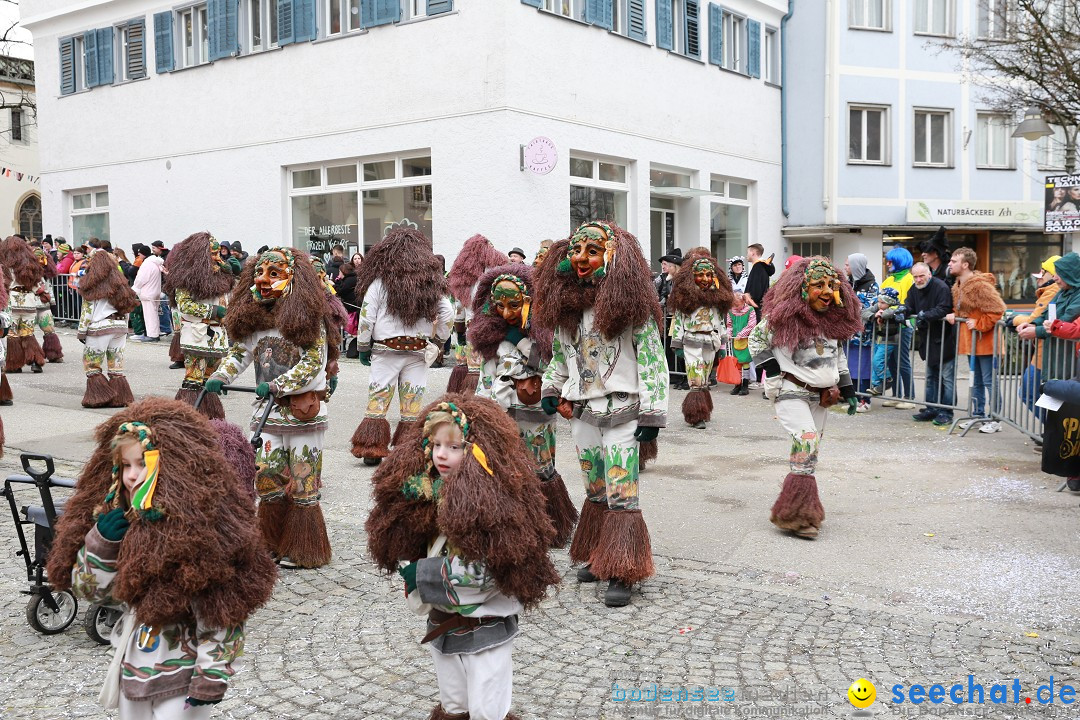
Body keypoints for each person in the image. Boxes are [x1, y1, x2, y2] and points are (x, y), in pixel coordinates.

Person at [45, 398, 277, 719]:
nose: (132, 475)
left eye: (143, 463)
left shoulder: (204, 533)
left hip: (182, 673)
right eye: (126, 465)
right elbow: (93, 594)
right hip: (135, 665)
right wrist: (101, 545)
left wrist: (210, 677)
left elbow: (223, 610)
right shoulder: (120, 519)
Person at [365, 396, 559, 720]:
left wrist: (421, 575)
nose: (441, 454)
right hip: (443, 625)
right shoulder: (425, 493)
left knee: (487, 710)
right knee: (454, 705)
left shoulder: (494, 505)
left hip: (487, 629)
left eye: (455, 447)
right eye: (436, 444)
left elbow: (486, 574)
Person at [535, 221, 668, 607]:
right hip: (581, 414)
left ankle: (624, 568)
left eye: (592, 251)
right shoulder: (568, 312)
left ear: (612, 257)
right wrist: (551, 389)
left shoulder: (634, 310)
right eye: (577, 251)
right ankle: (599, 553)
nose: (581, 258)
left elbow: (654, 361)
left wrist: (654, 413)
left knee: (621, 490)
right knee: (595, 488)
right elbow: (560, 360)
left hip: (625, 410)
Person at [206, 246, 342, 569]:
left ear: (294, 279)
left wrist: (281, 384)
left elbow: (313, 363)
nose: (264, 280)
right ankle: (272, 540)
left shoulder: (310, 322)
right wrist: (219, 375)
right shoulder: (256, 321)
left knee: (304, 479)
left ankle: (305, 548)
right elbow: (240, 354)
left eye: (274, 274)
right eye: (260, 273)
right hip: (266, 413)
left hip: (302, 413)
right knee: (267, 478)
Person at [749, 257, 862, 539]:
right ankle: (797, 516)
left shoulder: (831, 321)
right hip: (791, 392)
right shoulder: (781, 319)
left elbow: (838, 356)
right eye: (818, 285)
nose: (827, 292)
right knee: (806, 439)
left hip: (822, 397)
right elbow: (755, 341)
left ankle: (798, 509)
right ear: (801, 289)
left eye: (832, 285)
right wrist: (773, 376)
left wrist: (847, 389)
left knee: (811, 453)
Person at [468, 262, 578, 547]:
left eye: (514, 305)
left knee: (541, 468)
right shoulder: (491, 336)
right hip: (502, 415)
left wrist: (520, 342)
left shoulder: (547, 333)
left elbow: (554, 365)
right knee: (503, 469)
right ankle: (511, 525)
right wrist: (483, 412)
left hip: (535, 413)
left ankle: (550, 522)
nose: (506, 313)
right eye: (500, 306)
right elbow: (487, 375)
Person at [350, 226, 454, 464]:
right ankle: (408, 451)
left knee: (378, 399)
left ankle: (371, 447)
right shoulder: (431, 282)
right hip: (417, 350)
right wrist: (438, 341)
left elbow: (366, 316)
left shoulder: (378, 282)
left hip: (385, 350)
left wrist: (363, 346)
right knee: (412, 404)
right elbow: (448, 312)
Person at [163, 233, 235, 419]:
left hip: (217, 335)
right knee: (194, 378)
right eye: (213, 253)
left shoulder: (220, 275)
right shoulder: (185, 278)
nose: (218, 258)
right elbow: (185, 305)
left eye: (218, 253)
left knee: (208, 379)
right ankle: (189, 415)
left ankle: (209, 412)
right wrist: (214, 311)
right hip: (197, 332)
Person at [668, 253, 733, 429]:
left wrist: (723, 345)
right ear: (691, 276)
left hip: (710, 341)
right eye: (700, 274)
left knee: (704, 378)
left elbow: (720, 323)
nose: (705, 278)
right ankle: (695, 416)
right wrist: (677, 343)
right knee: (695, 378)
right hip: (691, 340)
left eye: (708, 274)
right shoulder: (685, 299)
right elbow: (679, 322)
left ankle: (704, 410)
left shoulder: (717, 299)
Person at [945, 247, 1007, 432]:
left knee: (989, 381)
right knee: (976, 380)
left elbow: (997, 310)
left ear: (965, 265)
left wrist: (979, 323)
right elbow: (965, 310)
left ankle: (995, 419)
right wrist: (954, 315)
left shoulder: (980, 285)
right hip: (972, 342)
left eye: (954, 261)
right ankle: (978, 415)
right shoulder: (958, 285)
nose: (950, 263)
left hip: (986, 342)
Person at [77, 245, 140, 408]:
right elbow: (127, 307)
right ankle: (120, 397)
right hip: (119, 326)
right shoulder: (120, 282)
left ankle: (98, 397)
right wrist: (124, 327)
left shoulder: (91, 284)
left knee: (92, 364)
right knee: (116, 365)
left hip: (100, 326)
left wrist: (82, 332)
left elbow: (87, 310)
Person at [447, 234, 508, 395]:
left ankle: (474, 396)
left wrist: (459, 332)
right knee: (494, 363)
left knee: (474, 367)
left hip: (471, 325)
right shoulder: (499, 270)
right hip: (496, 325)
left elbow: (458, 308)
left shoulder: (464, 277)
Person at [905, 262, 956, 426]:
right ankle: (931, 408)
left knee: (947, 378)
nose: (918, 279)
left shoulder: (941, 287)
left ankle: (946, 411)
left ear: (929, 274)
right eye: (915, 277)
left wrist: (924, 315)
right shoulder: (914, 289)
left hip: (945, 338)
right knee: (931, 377)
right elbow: (908, 304)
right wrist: (899, 311)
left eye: (921, 276)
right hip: (928, 339)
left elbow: (944, 308)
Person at [1011, 256, 1060, 422]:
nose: (1039, 276)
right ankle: (1052, 435)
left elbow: (1035, 319)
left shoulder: (1052, 292)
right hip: (1042, 354)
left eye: (1043, 272)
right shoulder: (1049, 291)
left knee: (1028, 393)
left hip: (1045, 356)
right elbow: (1038, 319)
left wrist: (1015, 319)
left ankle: (1052, 434)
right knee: (1032, 394)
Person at [1019, 252, 1080, 383]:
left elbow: (1064, 322)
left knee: (1060, 396)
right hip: (1052, 356)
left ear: (1070, 275)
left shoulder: (1078, 295)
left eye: (1059, 274)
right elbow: (1046, 313)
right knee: (1048, 392)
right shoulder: (1062, 291)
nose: (1055, 278)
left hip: (1066, 360)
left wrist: (1036, 331)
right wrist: (1034, 324)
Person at [0, 236, 50, 373]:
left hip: (13, 302)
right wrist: (41, 293)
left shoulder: (6, 266)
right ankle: (36, 361)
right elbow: (37, 285)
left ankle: (15, 364)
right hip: (29, 302)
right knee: (28, 333)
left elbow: (4, 284)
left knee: (12, 334)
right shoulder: (31, 265)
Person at [845, 253, 878, 412]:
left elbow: (868, 307)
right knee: (850, 368)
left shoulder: (872, 285)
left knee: (863, 368)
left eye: (847, 265)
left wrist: (851, 307)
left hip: (862, 335)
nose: (845, 268)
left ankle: (866, 400)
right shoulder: (849, 283)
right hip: (848, 334)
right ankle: (855, 398)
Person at [865, 288, 903, 400]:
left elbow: (890, 313)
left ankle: (887, 379)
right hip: (878, 338)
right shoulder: (879, 306)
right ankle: (877, 385)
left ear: (890, 302)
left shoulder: (896, 307)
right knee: (875, 362)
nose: (879, 305)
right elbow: (864, 312)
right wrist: (874, 315)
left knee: (878, 361)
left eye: (883, 303)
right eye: (879, 302)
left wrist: (881, 314)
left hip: (889, 339)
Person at [726, 291, 757, 395]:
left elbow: (751, 325)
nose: (736, 307)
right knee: (737, 363)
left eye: (737, 305)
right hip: (735, 341)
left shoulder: (750, 310)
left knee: (745, 362)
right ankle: (737, 384)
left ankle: (745, 385)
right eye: (734, 305)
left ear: (743, 301)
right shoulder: (731, 311)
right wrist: (729, 333)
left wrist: (742, 334)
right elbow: (729, 324)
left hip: (746, 340)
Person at [131, 250, 165, 342]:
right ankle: (156, 333)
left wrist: (136, 287)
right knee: (154, 314)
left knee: (149, 315)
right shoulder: (156, 264)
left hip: (147, 293)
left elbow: (141, 279)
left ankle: (152, 335)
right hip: (156, 292)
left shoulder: (147, 264)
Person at [743, 243, 775, 320]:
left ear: (753, 253)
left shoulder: (758, 267)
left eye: (748, 252)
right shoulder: (762, 267)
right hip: (761, 307)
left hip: (756, 309)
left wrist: (749, 298)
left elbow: (756, 290)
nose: (746, 255)